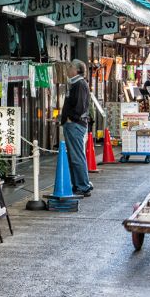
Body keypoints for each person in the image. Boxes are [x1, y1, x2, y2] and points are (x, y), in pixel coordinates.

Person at [60, 59, 92, 196]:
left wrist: (70, 118)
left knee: (77, 156)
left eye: (70, 67)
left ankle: (83, 186)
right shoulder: (75, 83)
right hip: (73, 124)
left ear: (77, 70)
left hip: (75, 124)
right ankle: (78, 184)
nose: (68, 69)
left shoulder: (79, 84)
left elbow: (79, 107)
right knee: (74, 156)